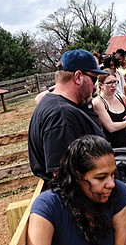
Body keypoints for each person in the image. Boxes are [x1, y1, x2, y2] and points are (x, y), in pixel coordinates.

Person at [24, 135, 126, 245]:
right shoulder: (48, 206)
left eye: (113, 174)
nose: (111, 183)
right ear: (77, 176)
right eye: (100, 177)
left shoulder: (119, 194)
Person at [28, 49, 106, 182]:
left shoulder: (54, 104)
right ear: (78, 77)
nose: (94, 87)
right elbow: (63, 176)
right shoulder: (61, 115)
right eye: (94, 79)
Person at [93, 71, 126, 149]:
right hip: (114, 147)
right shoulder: (98, 102)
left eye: (115, 82)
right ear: (101, 85)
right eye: (109, 83)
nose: (113, 85)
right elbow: (111, 127)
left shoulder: (122, 97)